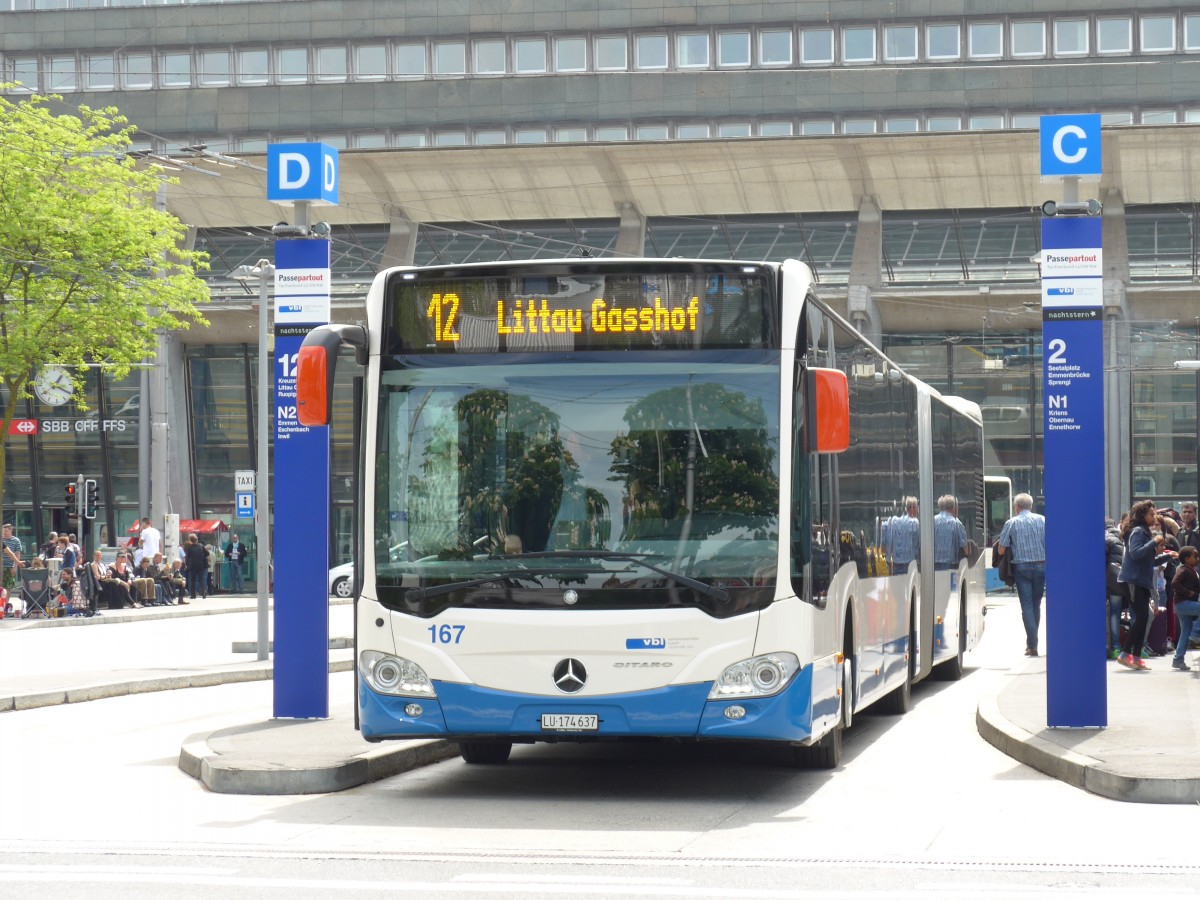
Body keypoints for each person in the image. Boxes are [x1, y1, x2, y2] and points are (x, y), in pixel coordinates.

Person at [1117, 500, 1176, 671]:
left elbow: (1148, 560)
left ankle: (1135, 656)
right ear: (1143, 516)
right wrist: (1154, 541)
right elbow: (1136, 554)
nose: (1154, 516)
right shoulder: (1137, 531)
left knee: (1144, 618)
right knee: (1142, 617)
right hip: (1133, 581)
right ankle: (1125, 654)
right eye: (1151, 514)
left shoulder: (1143, 532)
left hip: (1139, 581)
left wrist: (1167, 556)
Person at [996, 493, 1046, 657]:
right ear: (1031, 506)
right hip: (1041, 566)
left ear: (1017, 507)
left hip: (1021, 568)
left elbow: (1001, 549)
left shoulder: (1011, 523)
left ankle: (1032, 645)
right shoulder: (1043, 520)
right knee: (1036, 604)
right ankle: (1032, 643)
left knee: (1027, 607)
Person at [1170, 545, 1200, 672]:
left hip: (1182, 605)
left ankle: (1178, 660)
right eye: (1195, 556)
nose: (1197, 558)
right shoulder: (1183, 569)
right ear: (1187, 559)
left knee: (1184, 632)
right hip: (1183, 604)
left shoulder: (1191, 570)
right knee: (1189, 632)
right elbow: (1174, 582)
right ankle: (1196, 632)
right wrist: (1188, 593)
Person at [1104, 516, 1129, 660]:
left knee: (1111, 613)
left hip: (1109, 581)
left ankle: (1113, 646)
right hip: (1120, 580)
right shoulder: (1121, 538)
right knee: (1116, 611)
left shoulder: (1105, 538)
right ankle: (1118, 646)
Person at [933, 494, 968, 571]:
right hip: (951, 565)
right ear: (954, 508)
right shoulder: (957, 523)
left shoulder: (932, 521)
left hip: (932, 565)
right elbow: (965, 548)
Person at [886, 497, 921, 570]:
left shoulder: (894, 521)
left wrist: (888, 559)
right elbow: (917, 543)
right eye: (916, 508)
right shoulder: (914, 522)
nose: (917, 511)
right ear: (912, 508)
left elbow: (890, 541)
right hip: (910, 563)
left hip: (896, 563)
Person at [184, 533, 208, 600]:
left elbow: (187, 557)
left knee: (193, 580)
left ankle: (193, 595)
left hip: (193, 565)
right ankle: (203, 592)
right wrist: (202, 556)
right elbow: (207, 553)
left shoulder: (190, 548)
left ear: (190, 540)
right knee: (201, 579)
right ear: (196, 539)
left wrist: (187, 564)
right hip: (201, 565)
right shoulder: (201, 546)